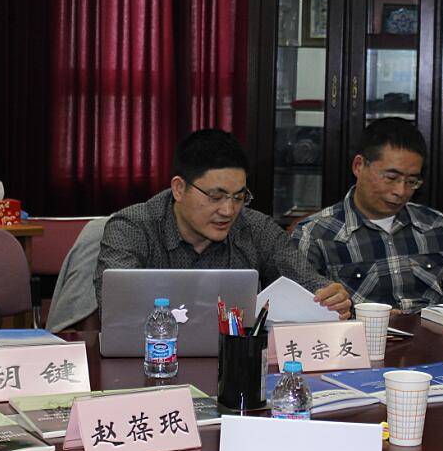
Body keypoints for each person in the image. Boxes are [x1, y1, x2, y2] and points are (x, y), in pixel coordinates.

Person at [93, 128, 351, 320]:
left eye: (238, 197)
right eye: (215, 197)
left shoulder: (257, 229)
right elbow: (116, 309)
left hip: (235, 365)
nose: (228, 211)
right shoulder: (131, 228)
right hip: (153, 360)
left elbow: (309, 283)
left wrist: (330, 296)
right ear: (179, 189)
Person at [292, 118, 443, 313]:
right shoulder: (315, 234)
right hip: (360, 331)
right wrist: (365, 318)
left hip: (431, 330)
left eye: (411, 181)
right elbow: (304, 311)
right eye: (391, 178)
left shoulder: (433, 224)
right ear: (358, 166)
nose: (400, 191)